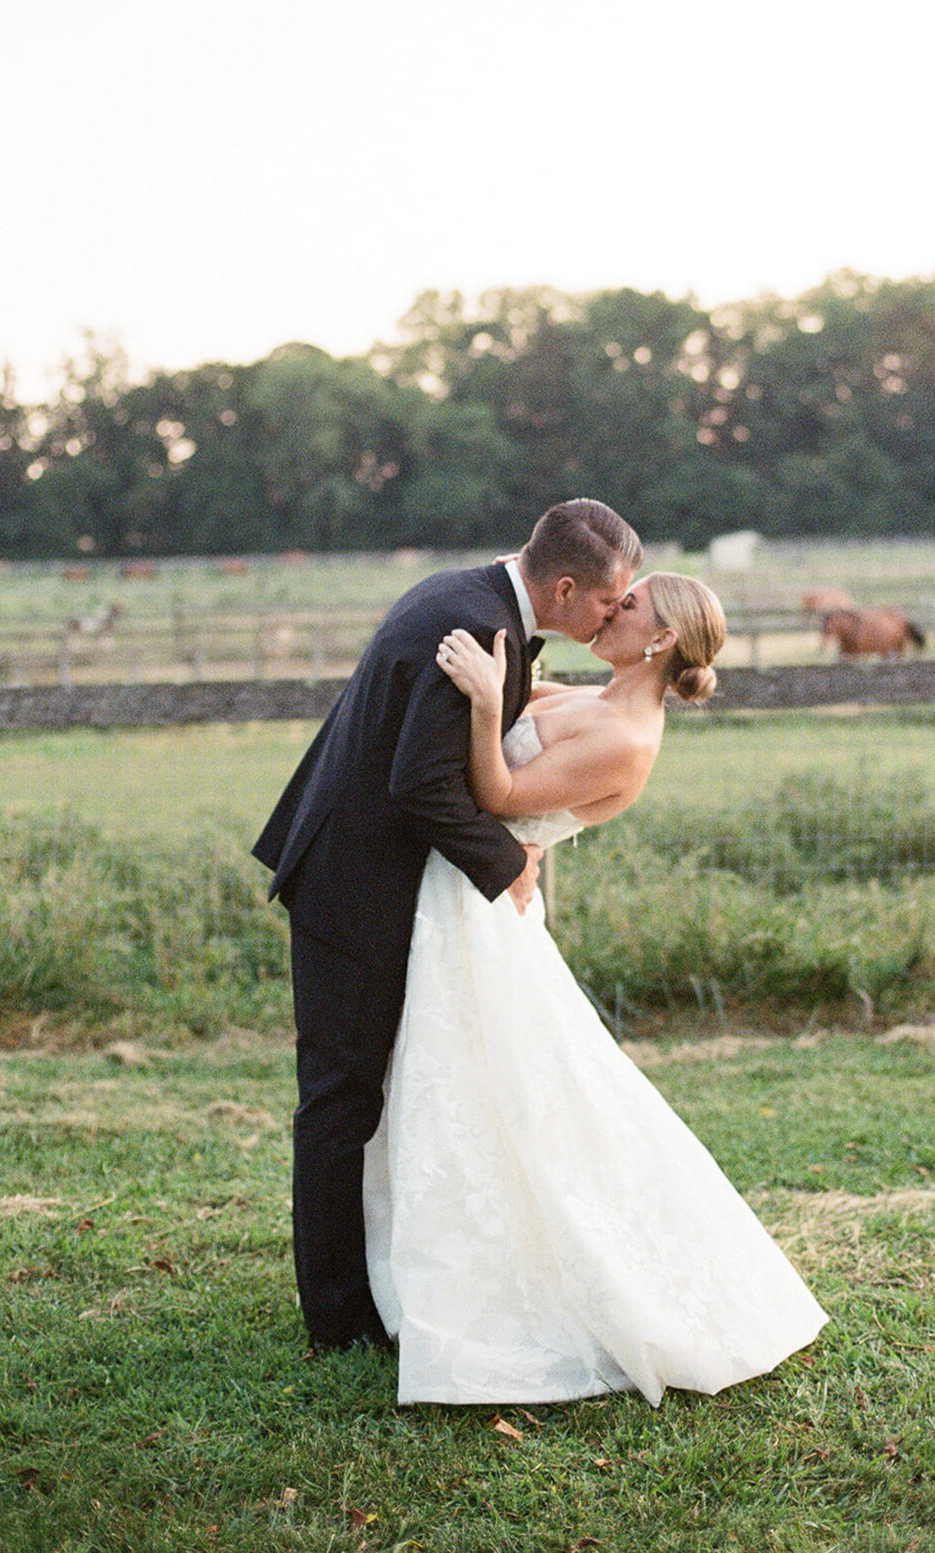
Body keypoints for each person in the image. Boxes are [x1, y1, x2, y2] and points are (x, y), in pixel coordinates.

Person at [363, 571, 828, 1405]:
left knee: (516, 1094)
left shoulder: (628, 736)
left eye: (631, 604)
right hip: (462, 896)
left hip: (484, 917)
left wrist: (478, 703)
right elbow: (519, 695)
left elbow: (500, 793)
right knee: (462, 1083)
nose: (611, 607)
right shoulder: (591, 692)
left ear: (658, 640)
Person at [252, 499, 642, 1352]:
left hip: (373, 878)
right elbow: (419, 785)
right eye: (611, 602)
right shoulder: (475, 625)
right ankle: (340, 1320)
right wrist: (512, 866)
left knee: (370, 1090)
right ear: (567, 587)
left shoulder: (472, 601)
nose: (616, 614)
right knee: (339, 1097)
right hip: (352, 886)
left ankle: (376, 1287)